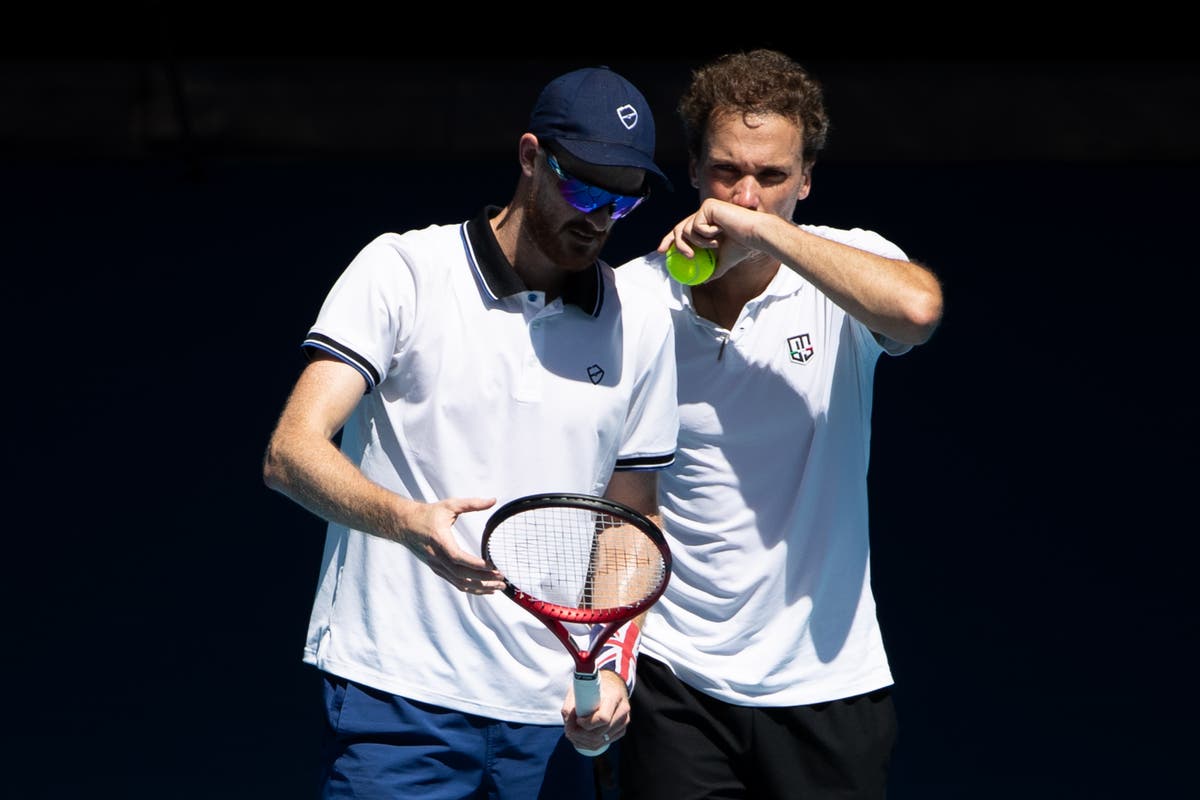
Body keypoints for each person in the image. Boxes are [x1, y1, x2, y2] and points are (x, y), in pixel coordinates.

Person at [262, 65, 678, 799]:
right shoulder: (403, 270)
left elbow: (630, 518)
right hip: (398, 696)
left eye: (624, 201)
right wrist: (406, 521)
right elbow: (290, 452)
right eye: (585, 190)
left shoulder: (641, 322)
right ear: (530, 157)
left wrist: (612, 667)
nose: (600, 219)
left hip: (550, 719)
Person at [613, 49, 944, 799]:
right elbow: (622, 503)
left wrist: (758, 233)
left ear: (806, 180)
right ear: (693, 170)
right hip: (674, 676)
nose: (746, 194)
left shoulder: (849, 267)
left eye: (771, 176)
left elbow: (918, 310)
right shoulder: (634, 301)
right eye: (727, 171)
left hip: (828, 682)